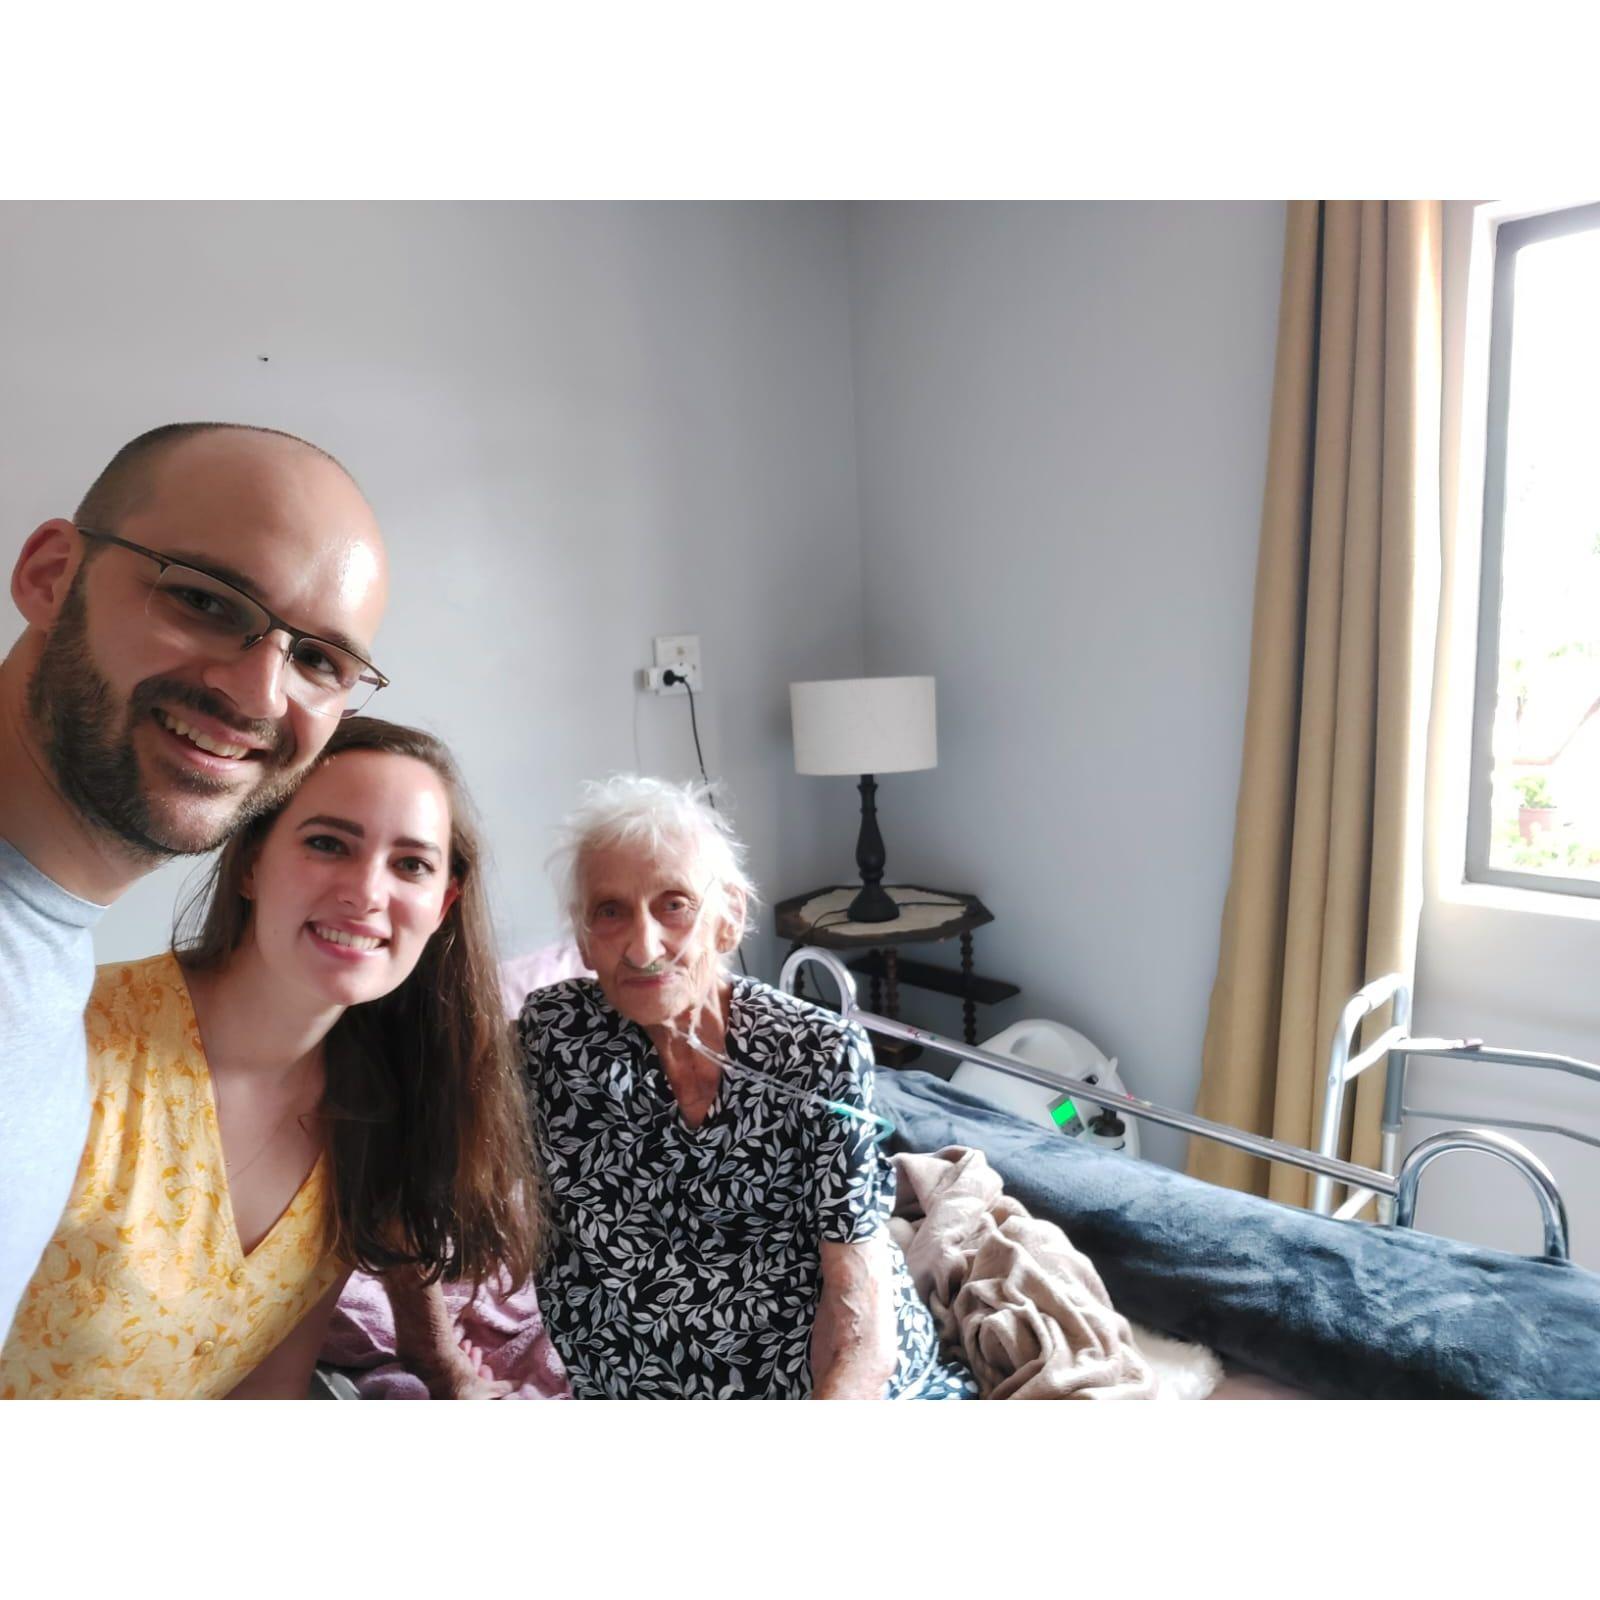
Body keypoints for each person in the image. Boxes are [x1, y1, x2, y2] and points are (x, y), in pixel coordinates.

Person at [0, 718, 541, 1398]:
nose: (366, 893)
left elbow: (264, 1390)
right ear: (252, 862)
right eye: (327, 843)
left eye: (411, 865)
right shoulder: (62, 1037)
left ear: (442, 906)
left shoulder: (377, 1122)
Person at [0, 422, 390, 1340]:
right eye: (207, 601)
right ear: (51, 576)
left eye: (320, 660)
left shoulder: (47, 958)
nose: (258, 694)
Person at [518, 775, 977, 1399]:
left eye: (674, 904)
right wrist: (449, 1368)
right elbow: (427, 1154)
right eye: (610, 911)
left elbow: (858, 1311)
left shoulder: (816, 1054)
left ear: (729, 918)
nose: (643, 947)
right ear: (583, 939)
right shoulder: (553, 1035)